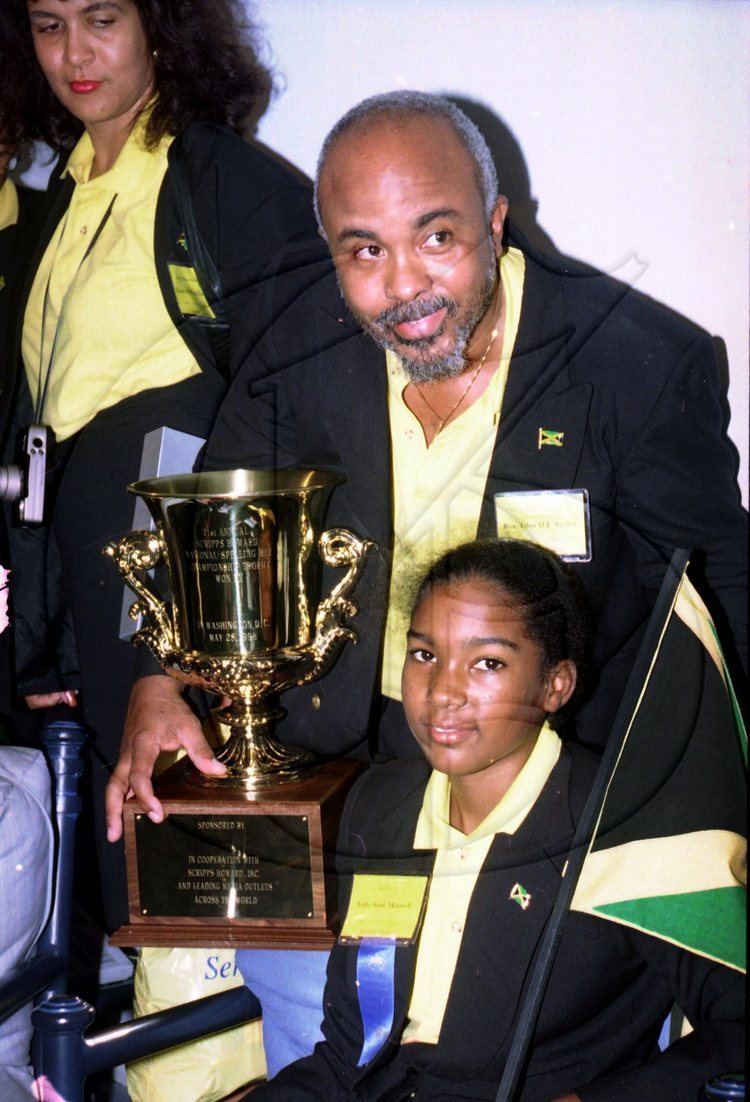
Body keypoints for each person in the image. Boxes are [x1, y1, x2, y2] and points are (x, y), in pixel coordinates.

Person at [109, 90, 748, 834]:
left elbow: (721, 593)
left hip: (560, 775)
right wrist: (155, 686)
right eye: (367, 251)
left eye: (437, 238)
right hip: (344, 755)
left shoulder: (636, 365)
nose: (405, 285)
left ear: (494, 223)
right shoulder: (295, 341)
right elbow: (213, 520)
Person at [0, 0, 317, 929]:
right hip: (73, 551)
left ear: (162, 30)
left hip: (172, 546)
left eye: (102, 18)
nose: (75, 53)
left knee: (170, 846)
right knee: (98, 852)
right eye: (49, 25)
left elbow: (281, 407)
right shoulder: (61, 188)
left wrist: (167, 660)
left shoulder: (224, 178)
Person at [246, 538, 744, 1101]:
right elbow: (349, 1056)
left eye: (488, 663)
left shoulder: (626, 826)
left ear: (555, 685)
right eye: (424, 655)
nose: (442, 693)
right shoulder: (380, 805)